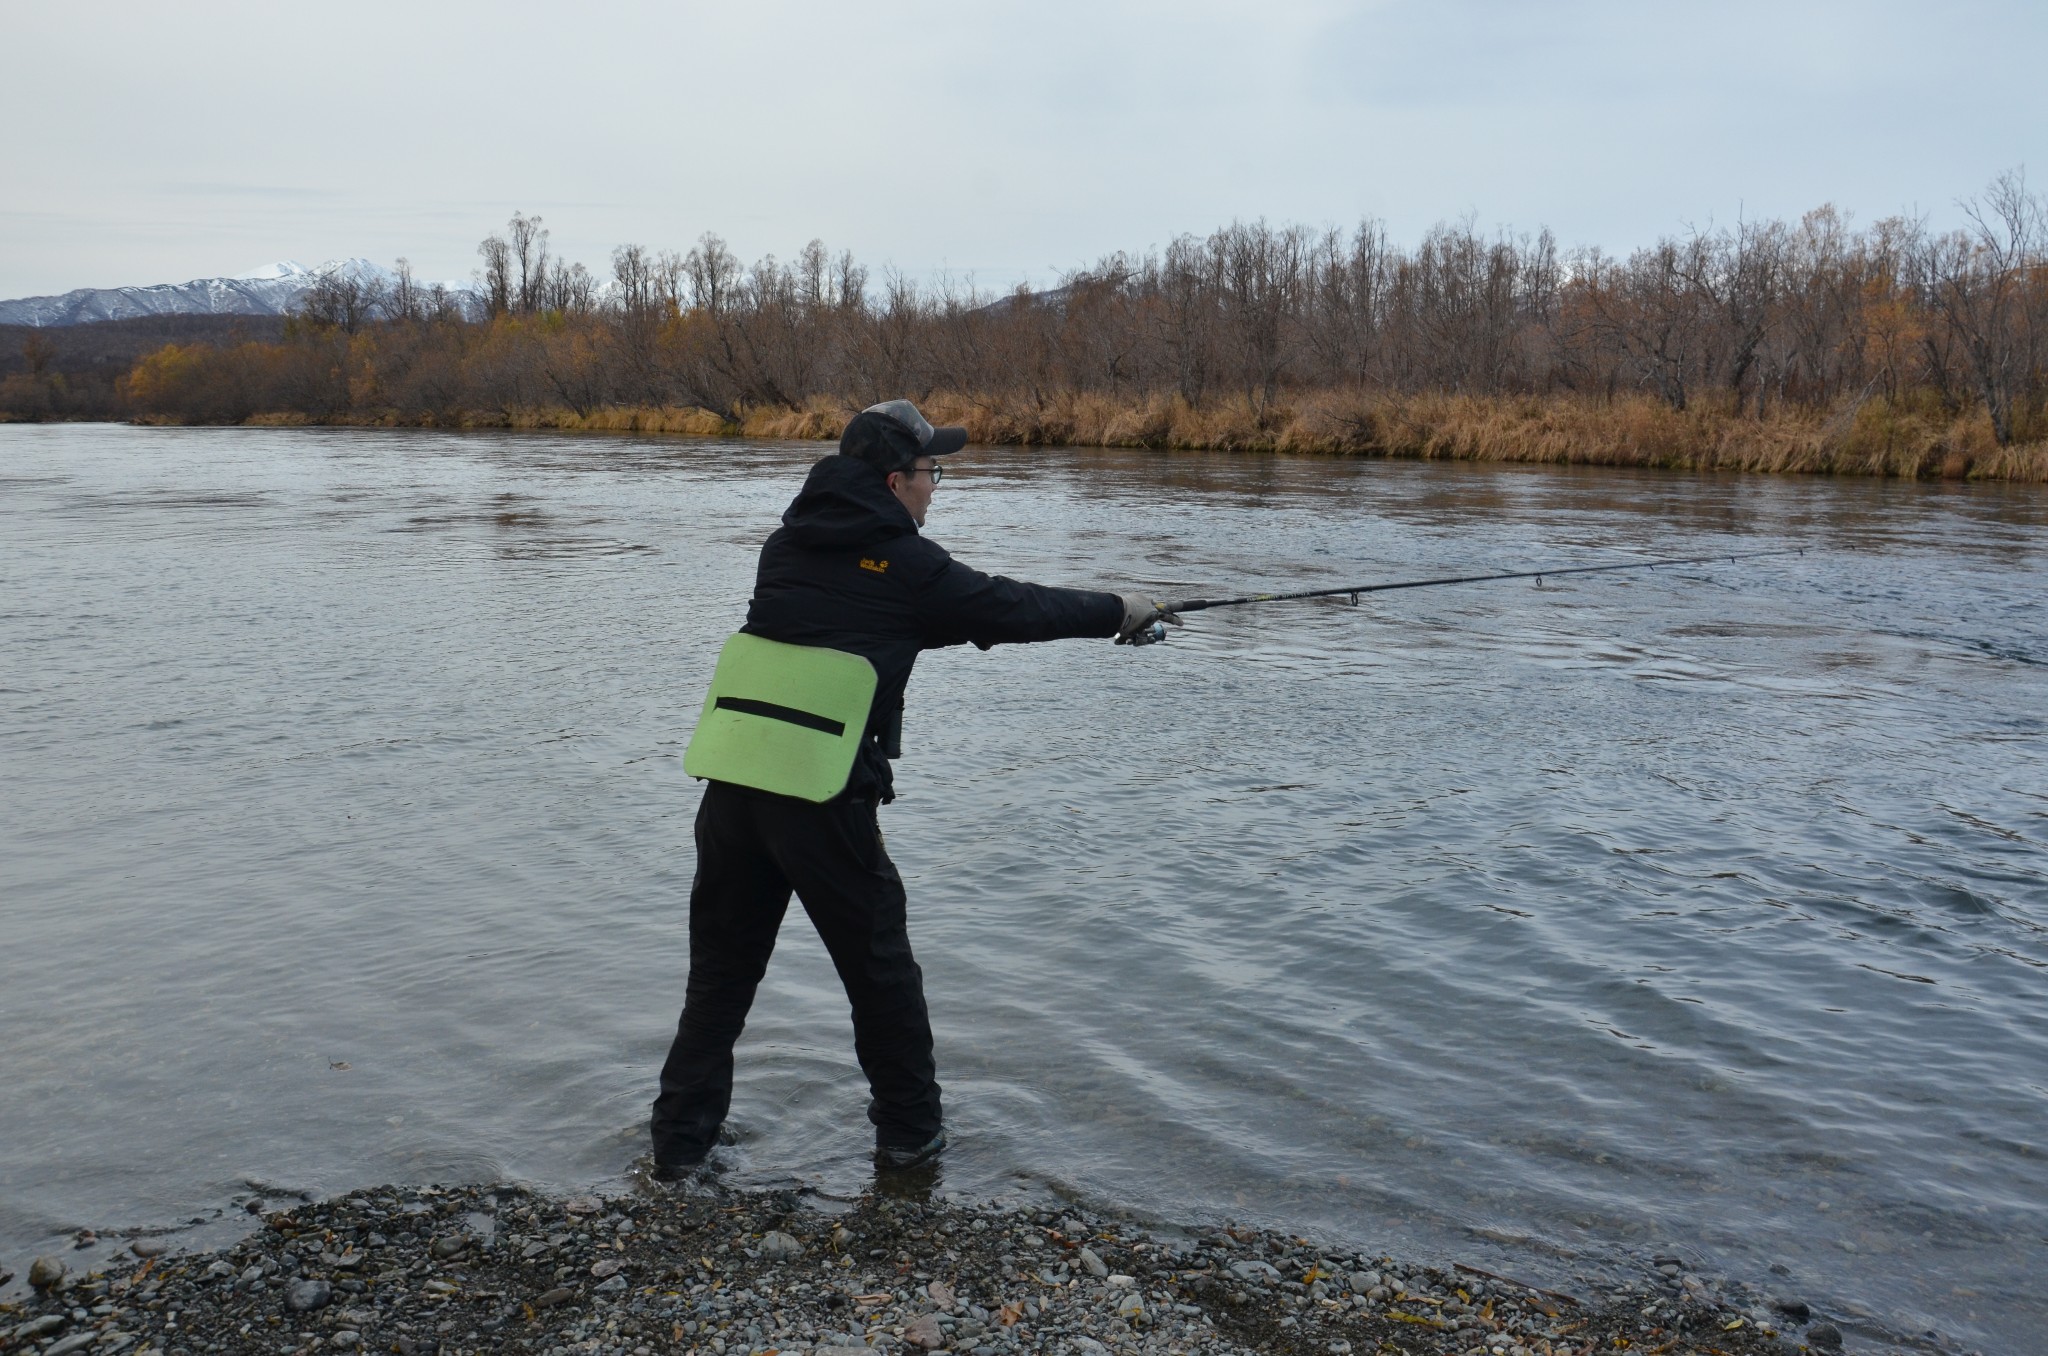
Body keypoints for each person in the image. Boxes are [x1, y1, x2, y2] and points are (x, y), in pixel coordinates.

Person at [651, 400, 1173, 1175]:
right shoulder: (908, 568)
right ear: (896, 480)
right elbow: (1008, 607)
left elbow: (932, 609)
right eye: (934, 472)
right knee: (881, 975)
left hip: (732, 789)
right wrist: (1120, 611)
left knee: (721, 980)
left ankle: (679, 1148)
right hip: (822, 802)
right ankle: (910, 1139)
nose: (936, 486)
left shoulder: (784, 546)